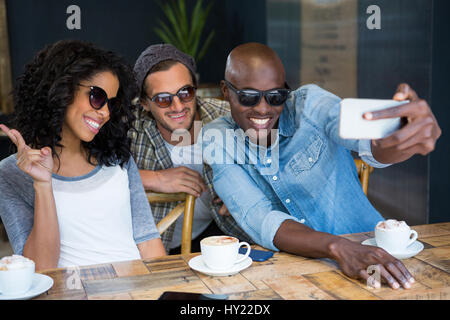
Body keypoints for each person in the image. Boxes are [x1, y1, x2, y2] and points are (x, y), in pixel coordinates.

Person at [202, 42, 441, 289]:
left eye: (276, 97)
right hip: (295, 280)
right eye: (249, 97)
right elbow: (261, 218)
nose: (263, 109)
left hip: (381, 260)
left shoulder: (310, 106)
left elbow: (367, 141)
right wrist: (337, 248)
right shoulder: (216, 139)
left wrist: (402, 136)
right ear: (225, 91)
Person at [0, 40, 166, 271]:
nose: (105, 112)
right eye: (97, 97)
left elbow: (148, 242)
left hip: (136, 290)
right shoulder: (11, 173)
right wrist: (42, 184)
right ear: (61, 89)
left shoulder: (117, 158)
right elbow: (39, 269)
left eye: (112, 103)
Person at [130, 44, 251, 253]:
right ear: (144, 104)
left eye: (185, 92)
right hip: (157, 250)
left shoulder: (226, 116)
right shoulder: (129, 127)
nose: (177, 106)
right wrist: (153, 178)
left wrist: (249, 186)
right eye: (163, 99)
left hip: (222, 235)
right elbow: (81, 171)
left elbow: (279, 148)